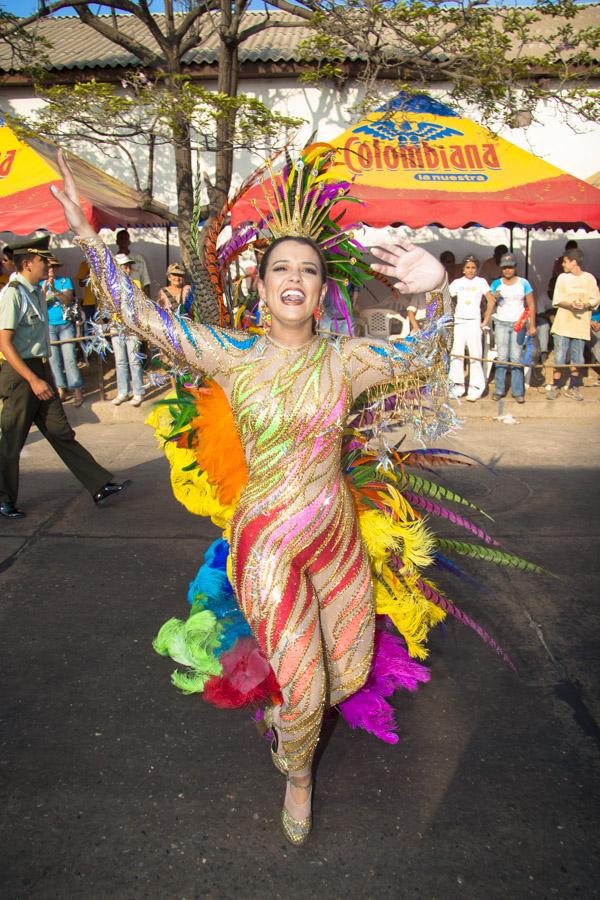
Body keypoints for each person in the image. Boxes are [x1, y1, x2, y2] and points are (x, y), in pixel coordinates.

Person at [52, 149, 452, 846]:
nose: (294, 279)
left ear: (321, 288)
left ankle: (291, 724)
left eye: (308, 269)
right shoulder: (230, 356)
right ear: (262, 289)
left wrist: (435, 291)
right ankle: (297, 772)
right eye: (281, 270)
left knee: (349, 673)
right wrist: (89, 242)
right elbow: (140, 317)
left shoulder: (348, 359)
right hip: (266, 544)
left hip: (336, 537)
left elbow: (426, 358)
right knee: (303, 687)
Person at [0, 248, 131, 519]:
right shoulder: (13, 293)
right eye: (42, 261)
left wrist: (40, 376)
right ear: (26, 264)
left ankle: (98, 485)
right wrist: (33, 379)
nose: (47, 266)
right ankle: (4, 500)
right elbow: (4, 342)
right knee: (11, 441)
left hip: (39, 369)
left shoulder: (36, 291)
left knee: (60, 431)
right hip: (22, 375)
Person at [547, 248, 600, 401]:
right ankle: (556, 385)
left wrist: (585, 305)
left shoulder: (589, 278)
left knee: (578, 358)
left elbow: (595, 299)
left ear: (573, 262)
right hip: (563, 323)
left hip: (580, 325)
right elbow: (557, 299)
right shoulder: (562, 278)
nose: (563, 265)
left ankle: (574, 387)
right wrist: (571, 305)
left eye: (565, 261)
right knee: (559, 357)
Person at [489, 253, 536, 403]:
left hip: (518, 324)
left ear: (515, 267)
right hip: (501, 323)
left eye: (510, 267)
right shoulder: (496, 283)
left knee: (516, 357)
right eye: (504, 268)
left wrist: (533, 325)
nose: (507, 270)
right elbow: (490, 303)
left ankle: (517, 391)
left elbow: (531, 304)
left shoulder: (524, 283)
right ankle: (499, 390)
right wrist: (493, 298)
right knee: (502, 357)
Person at [448, 256, 495, 401]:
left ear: (477, 269)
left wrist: (485, 320)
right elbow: (447, 299)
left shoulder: (481, 282)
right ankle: (457, 387)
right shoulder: (457, 283)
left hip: (474, 322)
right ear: (463, 269)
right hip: (459, 322)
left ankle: (475, 389)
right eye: (468, 267)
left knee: (475, 355)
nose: (470, 270)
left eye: (473, 267)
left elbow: (491, 300)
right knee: (457, 354)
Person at [41, 255, 84, 407]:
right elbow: (37, 304)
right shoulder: (39, 283)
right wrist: (44, 290)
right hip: (49, 326)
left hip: (65, 324)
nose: (51, 269)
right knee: (54, 360)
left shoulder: (64, 281)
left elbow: (68, 299)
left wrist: (54, 291)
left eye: (53, 266)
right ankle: (61, 390)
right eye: (48, 266)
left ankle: (77, 390)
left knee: (70, 358)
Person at [111, 254, 146, 406]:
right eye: (123, 266)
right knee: (120, 361)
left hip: (132, 326)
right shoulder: (110, 285)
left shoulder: (135, 283)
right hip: (116, 325)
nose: (127, 268)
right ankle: (123, 391)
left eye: (128, 265)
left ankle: (138, 392)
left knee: (134, 360)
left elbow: (139, 305)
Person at [114, 229, 151, 297]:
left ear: (129, 241)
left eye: (126, 238)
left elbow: (145, 281)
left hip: (137, 296)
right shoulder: (113, 260)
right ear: (117, 241)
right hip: (120, 296)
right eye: (121, 238)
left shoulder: (138, 258)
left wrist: (148, 300)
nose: (123, 241)